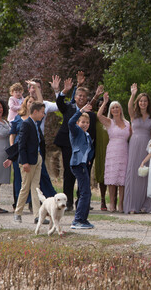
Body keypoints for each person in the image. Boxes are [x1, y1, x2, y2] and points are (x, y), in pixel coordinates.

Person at [54, 76, 102, 211]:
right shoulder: (68, 108)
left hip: (83, 148)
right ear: (75, 97)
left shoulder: (90, 114)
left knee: (84, 173)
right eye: (79, 95)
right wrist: (64, 91)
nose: (81, 98)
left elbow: (91, 132)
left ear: (87, 98)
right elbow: (59, 103)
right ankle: (67, 202)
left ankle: (82, 201)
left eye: (84, 96)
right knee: (68, 173)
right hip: (68, 145)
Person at [13, 102, 47, 224]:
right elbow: (21, 144)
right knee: (25, 187)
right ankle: (17, 213)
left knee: (36, 188)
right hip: (28, 161)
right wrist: (25, 162)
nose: (43, 114)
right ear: (35, 112)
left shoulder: (35, 124)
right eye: (42, 112)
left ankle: (38, 216)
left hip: (37, 158)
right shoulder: (26, 124)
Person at [123, 84, 151, 214]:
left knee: (146, 174)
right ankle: (132, 205)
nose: (143, 103)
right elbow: (129, 106)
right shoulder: (133, 115)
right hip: (134, 145)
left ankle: (145, 205)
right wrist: (133, 94)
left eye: (145, 101)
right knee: (133, 173)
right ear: (138, 102)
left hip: (147, 146)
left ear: (148, 103)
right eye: (141, 101)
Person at [97, 92, 130, 213]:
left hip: (124, 151)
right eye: (113, 108)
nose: (115, 109)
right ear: (111, 110)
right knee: (112, 179)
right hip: (112, 151)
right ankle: (112, 204)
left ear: (121, 109)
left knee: (122, 180)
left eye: (117, 107)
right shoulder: (109, 122)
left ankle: (121, 204)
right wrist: (105, 102)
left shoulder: (127, 123)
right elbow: (99, 115)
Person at [68, 107, 95, 229]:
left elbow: (90, 149)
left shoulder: (87, 135)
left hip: (83, 164)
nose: (85, 124)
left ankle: (83, 219)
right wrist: (80, 111)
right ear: (78, 123)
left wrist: (89, 159)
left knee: (86, 192)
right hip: (77, 164)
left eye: (87, 122)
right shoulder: (76, 131)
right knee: (85, 193)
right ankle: (77, 220)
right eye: (82, 122)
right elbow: (70, 122)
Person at [94, 97, 110, 211]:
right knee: (101, 175)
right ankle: (103, 199)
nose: (102, 107)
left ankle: (114, 199)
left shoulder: (112, 119)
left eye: (104, 105)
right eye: (100, 105)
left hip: (112, 150)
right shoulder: (95, 118)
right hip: (99, 150)